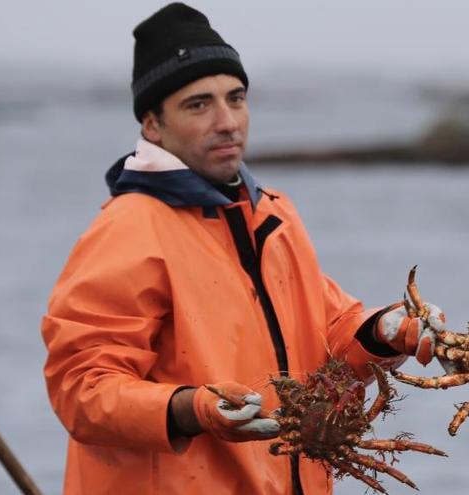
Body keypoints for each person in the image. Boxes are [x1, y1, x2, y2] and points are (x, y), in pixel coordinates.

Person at [41, 3, 445, 494]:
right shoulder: (128, 231)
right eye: (198, 104)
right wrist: (193, 409)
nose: (227, 121)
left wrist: (383, 333)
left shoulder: (272, 215)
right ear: (152, 125)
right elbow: (80, 390)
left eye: (236, 98)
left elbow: (325, 336)